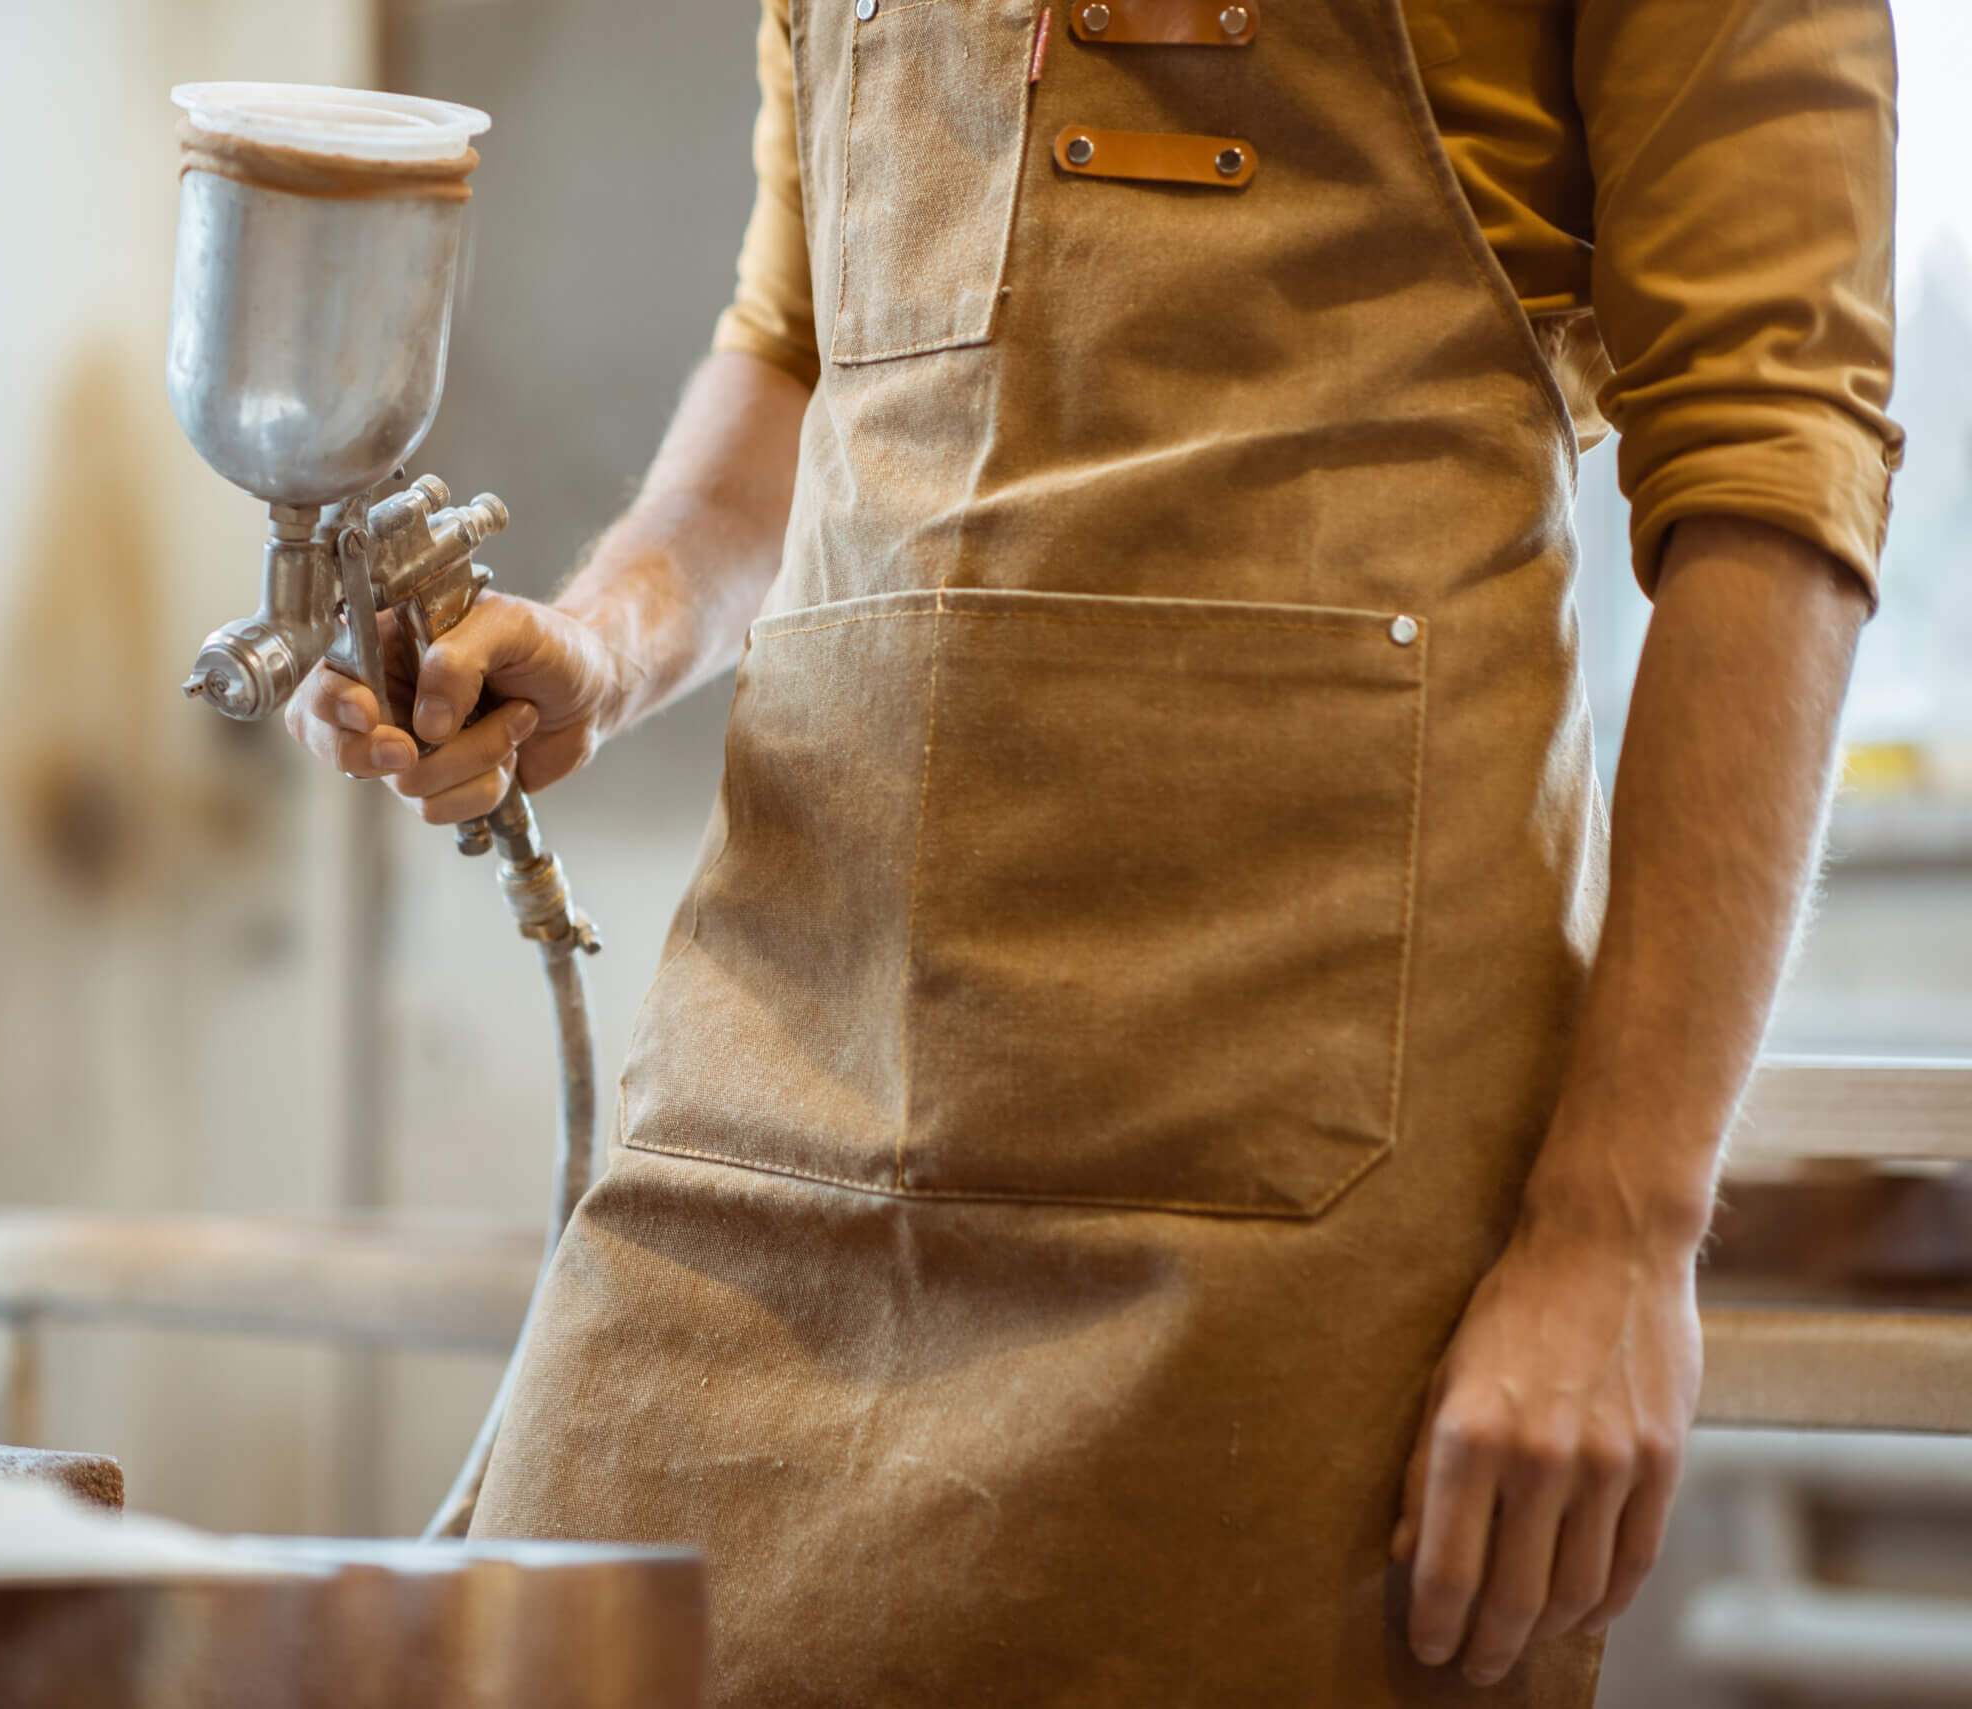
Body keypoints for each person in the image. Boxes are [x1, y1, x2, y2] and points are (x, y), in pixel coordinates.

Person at [290, 0, 1902, 1699]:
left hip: (1297, 1164)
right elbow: (799, 342)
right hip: (781, 1098)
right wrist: (608, 640)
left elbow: (1770, 462)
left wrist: (1618, 1237)